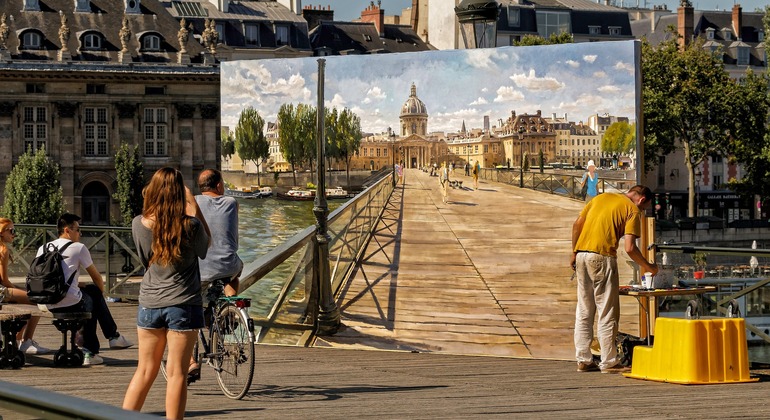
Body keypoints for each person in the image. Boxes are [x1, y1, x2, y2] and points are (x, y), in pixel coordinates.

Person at [123, 167, 210, 420]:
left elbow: (145, 260)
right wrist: (194, 208)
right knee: (177, 374)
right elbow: (205, 248)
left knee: (144, 371)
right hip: (183, 303)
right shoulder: (190, 225)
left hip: (149, 303)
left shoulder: (138, 223)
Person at [571, 185, 659, 374]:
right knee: (607, 311)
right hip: (602, 257)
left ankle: (584, 359)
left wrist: (574, 252)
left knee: (584, 310)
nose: (642, 211)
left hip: (581, 255)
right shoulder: (632, 210)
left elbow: (577, 224)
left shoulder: (601, 198)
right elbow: (629, 248)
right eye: (644, 207)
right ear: (642, 200)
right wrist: (649, 267)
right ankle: (609, 362)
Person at [39, 213, 134, 365]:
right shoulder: (78, 248)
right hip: (70, 302)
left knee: (88, 292)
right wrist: (100, 297)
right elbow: (97, 278)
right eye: (77, 229)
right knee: (93, 296)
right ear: (67, 230)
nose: (80, 233)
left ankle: (110, 340)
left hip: (48, 302)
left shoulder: (43, 248)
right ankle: (97, 347)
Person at [190, 168, 243, 380]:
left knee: (191, 307)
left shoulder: (192, 202)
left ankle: (191, 361)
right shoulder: (232, 203)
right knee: (235, 273)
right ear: (219, 185)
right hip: (228, 265)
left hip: (200, 269)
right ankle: (228, 310)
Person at [0, 218, 49, 354]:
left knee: (26, 296)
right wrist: (19, 290)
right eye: (11, 230)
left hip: (2, 290)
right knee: (37, 299)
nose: (14, 234)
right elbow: (4, 282)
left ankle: (18, 340)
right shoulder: (3, 250)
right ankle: (26, 341)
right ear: (2, 233)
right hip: (1, 292)